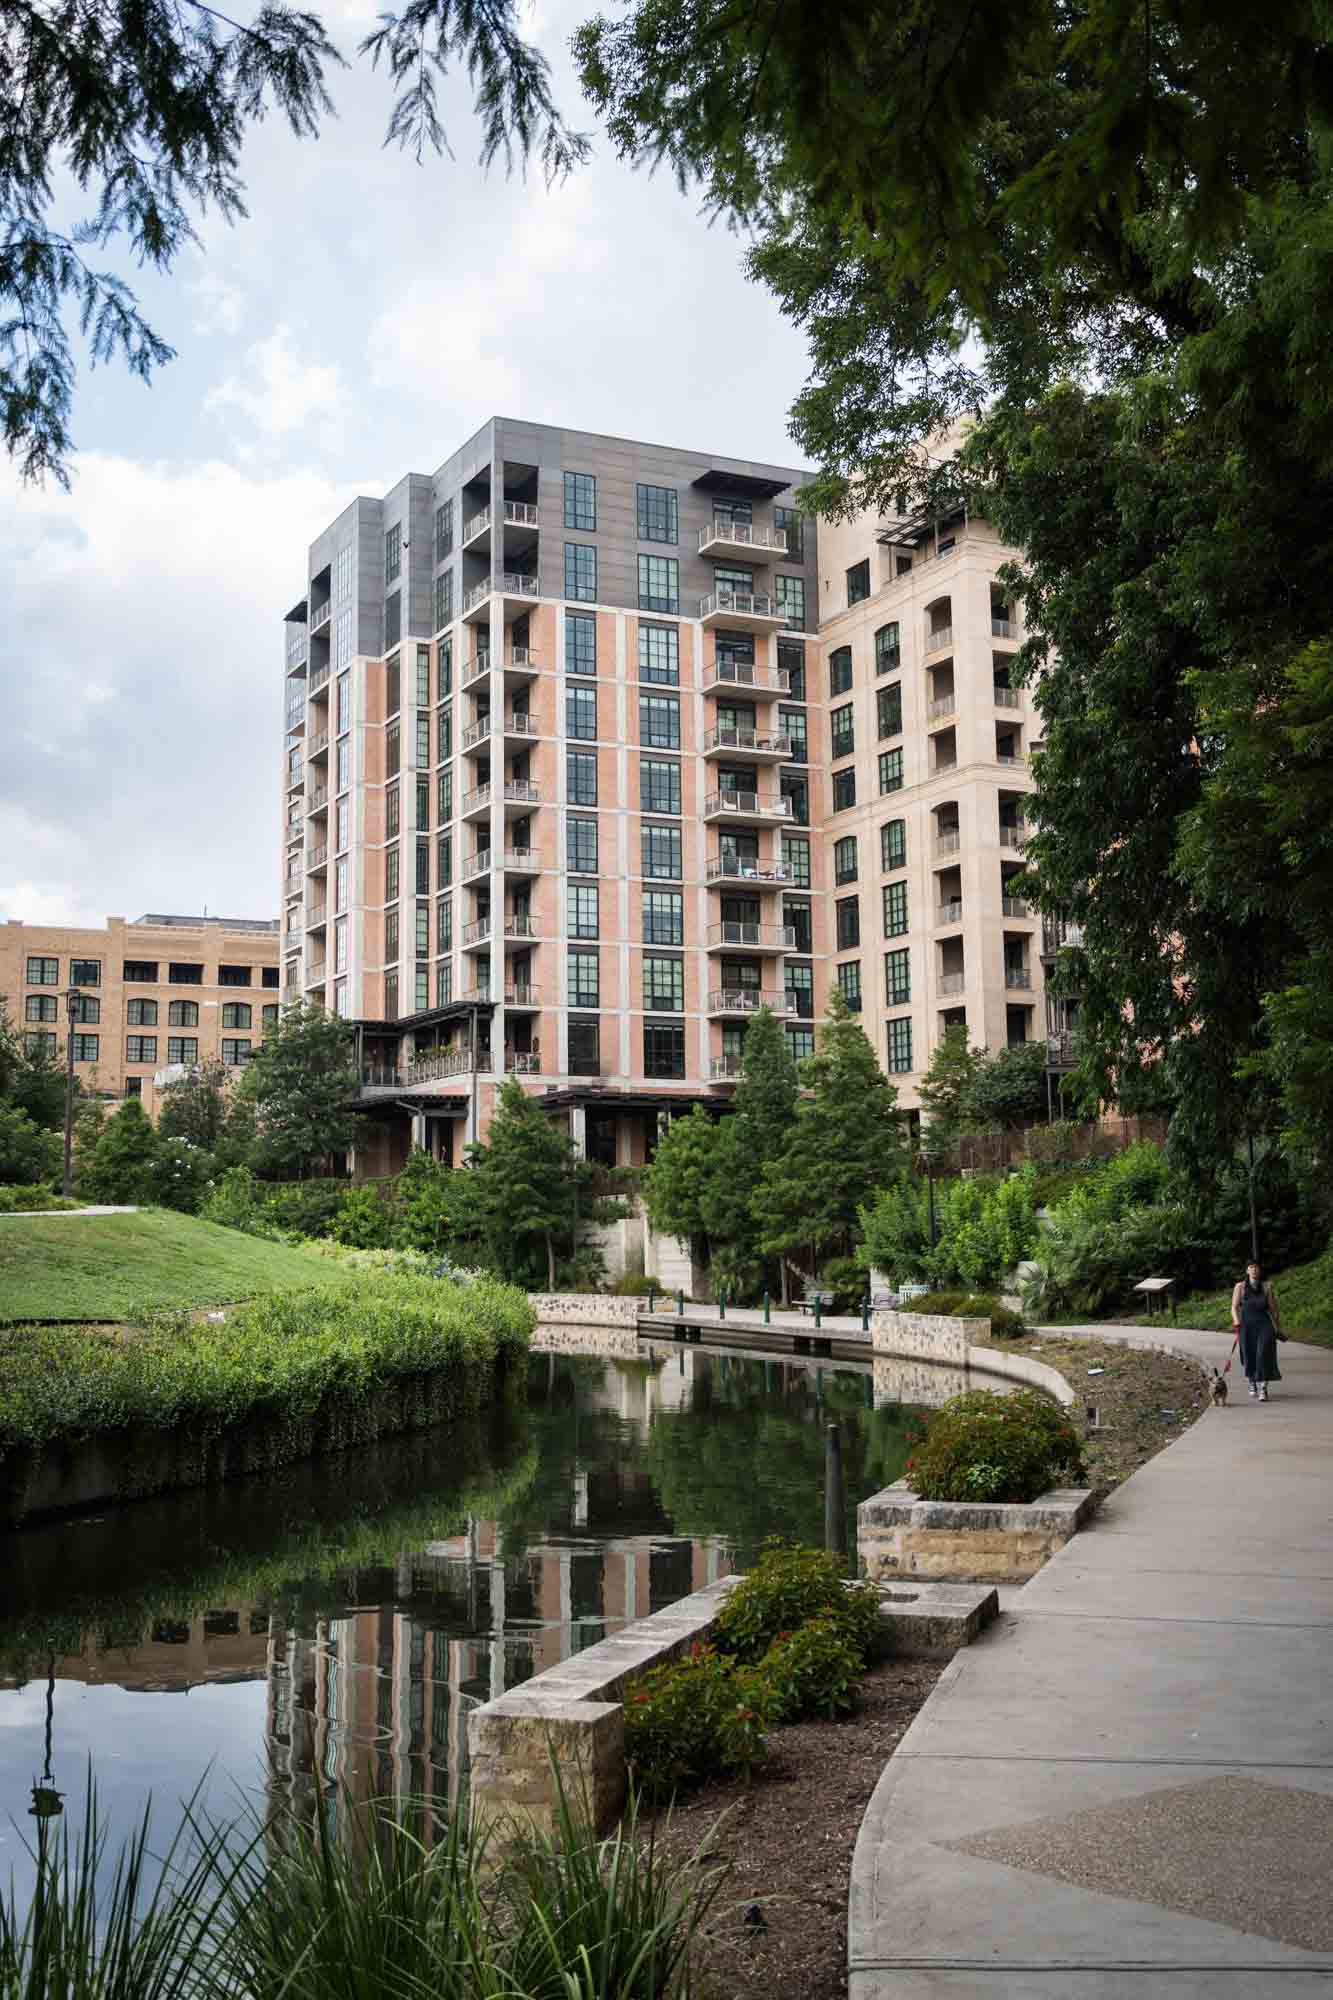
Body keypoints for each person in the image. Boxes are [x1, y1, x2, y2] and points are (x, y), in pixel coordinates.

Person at [1231, 1260, 1283, 1401]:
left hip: (1264, 1325)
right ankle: (1252, 1382)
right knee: (1249, 1356)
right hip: (1246, 1326)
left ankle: (1263, 1388)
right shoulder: (1240, 1287)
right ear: (1247, 1270)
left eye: (1256, 1267)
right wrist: (1236, 1321)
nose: (1254, 1270)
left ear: (1260, 1270)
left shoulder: (1266, 1286)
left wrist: (1277, 1328)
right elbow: (1234, 1307)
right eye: (1251, 1267)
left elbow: (1273, 1310)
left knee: (1263, 1354)